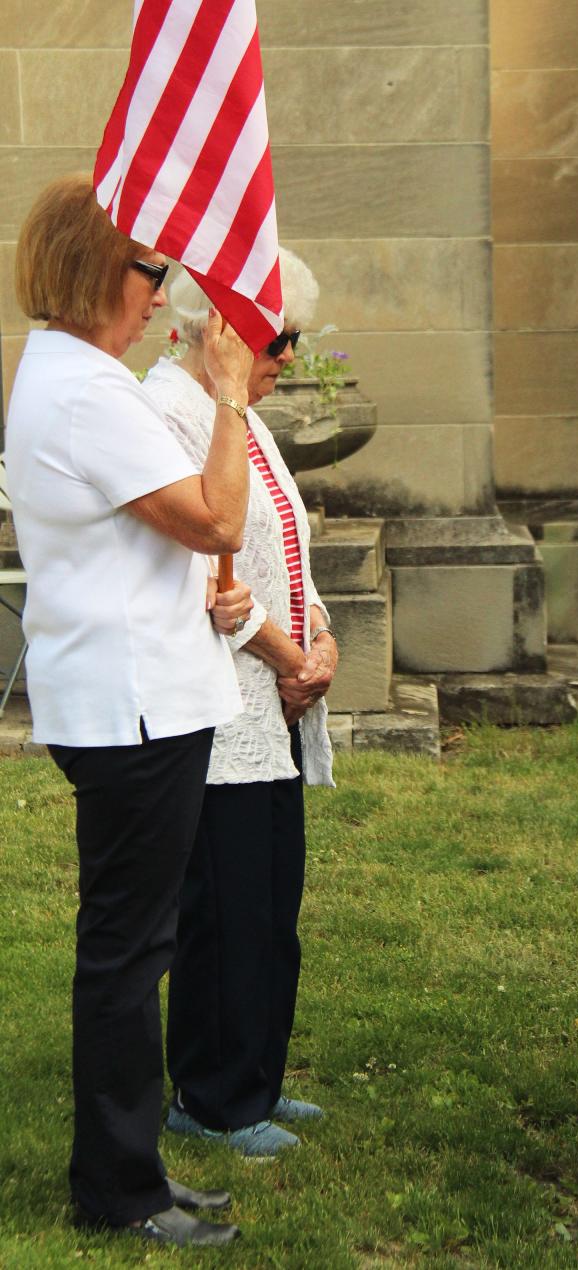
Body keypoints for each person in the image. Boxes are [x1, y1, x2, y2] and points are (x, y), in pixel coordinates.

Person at [4, 175, 257, 1245]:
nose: (162, 293)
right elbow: (212, 514)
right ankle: (118, 1188)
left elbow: (155, 539)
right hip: (130, 711)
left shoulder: (72, 376)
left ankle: (135, 1163)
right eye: (151, 270)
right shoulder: (84, 390)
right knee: (124, 954)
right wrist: (232, 392)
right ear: (98, 267)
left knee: (133, 945)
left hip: (130, 699)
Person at [140, 248, 338, 1159]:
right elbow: (206, 584)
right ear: (218, 328)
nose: (288, 355)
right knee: (224, 910)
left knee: (272, 902)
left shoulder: (245, 420)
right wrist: (293, 656)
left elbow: (282, 548)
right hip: (221, 713)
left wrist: (323, 642)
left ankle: (259, 1075)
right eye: (275, 336)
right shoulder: (176, 415)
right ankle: (212, 1098)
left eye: (292, 337)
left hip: (276, 710)